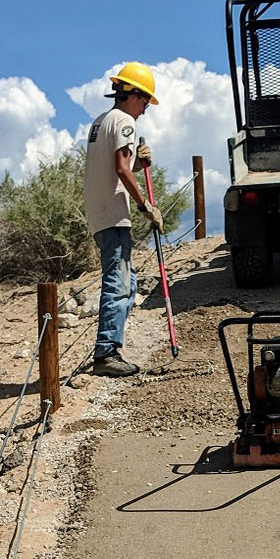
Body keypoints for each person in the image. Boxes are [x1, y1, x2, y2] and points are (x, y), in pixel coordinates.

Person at [83, 62, 163, 377]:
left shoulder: (101, 122)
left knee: (128, 283)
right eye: (145, 102)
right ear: (132, 94)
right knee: (118, 283)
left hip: (100, 212)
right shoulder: (125, 122)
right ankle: (106, 353)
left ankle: (112, 345)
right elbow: (120, 168)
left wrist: (139, 162)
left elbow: (117, 165)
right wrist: (145, 206)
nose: (145, 110)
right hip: (114, 215)